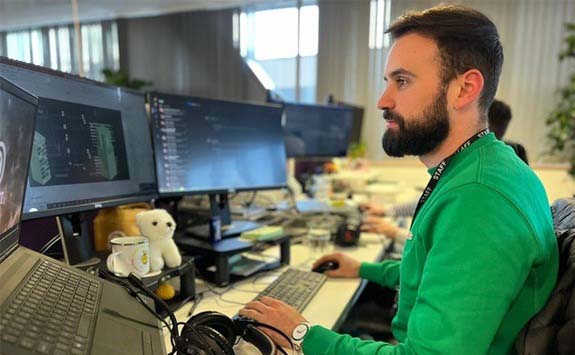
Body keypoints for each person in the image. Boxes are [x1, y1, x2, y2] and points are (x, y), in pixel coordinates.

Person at [239, 4, 559, 354]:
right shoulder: (485, 166)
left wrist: (302, 335)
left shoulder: (479, 198)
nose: (382, 101)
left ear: (465, 89)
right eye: (387, 82)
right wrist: (362, 268)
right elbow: (437, 271)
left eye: (402, 81)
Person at [488, 98, 529, 164]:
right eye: (497, 125)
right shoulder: (516, 151)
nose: (501, 131)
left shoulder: (518, 150)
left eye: (503, 126)